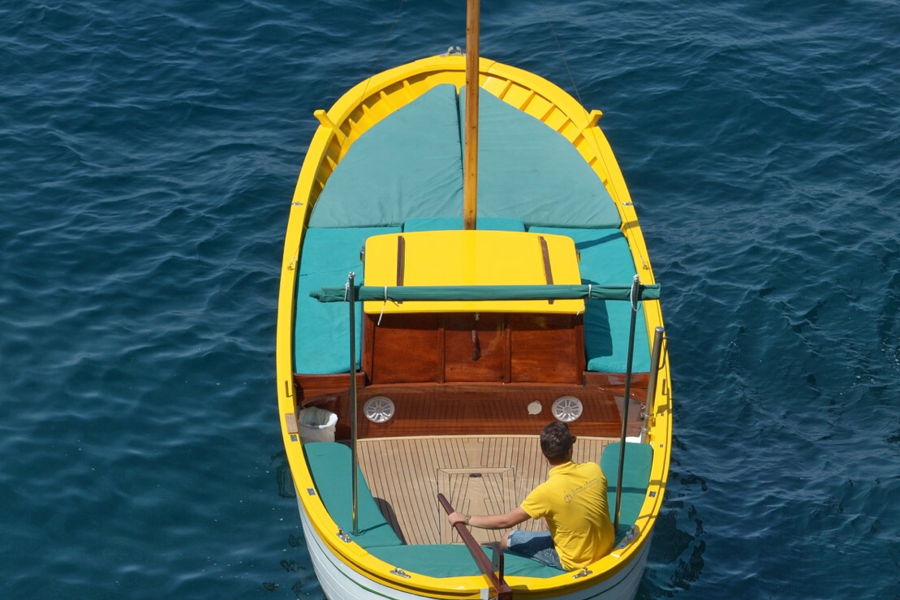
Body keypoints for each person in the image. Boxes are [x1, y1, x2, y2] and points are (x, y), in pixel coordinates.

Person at [447, 421, 615, 571]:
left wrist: (466, 518)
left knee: (509, 538)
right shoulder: (594, 469)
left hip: (576, 561)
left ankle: (509, 564)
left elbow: (505, 521)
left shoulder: (545, 492)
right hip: (606, 547)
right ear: (570, 449)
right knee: (549, 518)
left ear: (545, 454)